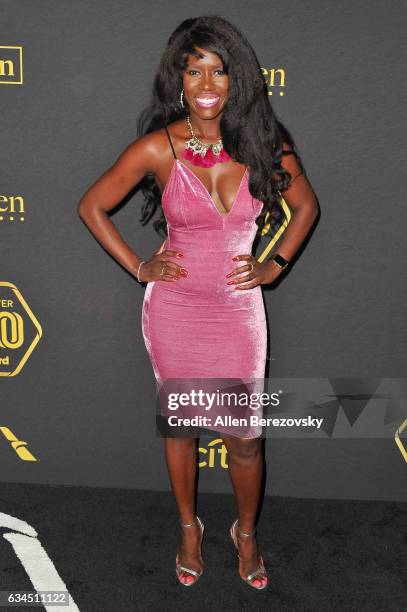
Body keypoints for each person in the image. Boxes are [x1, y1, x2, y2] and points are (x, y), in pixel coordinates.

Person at [77, 15, 318, 591]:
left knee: (244, 438)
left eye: (219, 69)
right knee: (181, 428)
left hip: (237, 313)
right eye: (194, 69)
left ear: (238, 81)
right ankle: (189, 527)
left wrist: (272, 266)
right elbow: (91, 205)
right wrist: (140, 266)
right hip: (176, 309)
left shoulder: (266, 144)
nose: (206, 81)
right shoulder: (160, 148)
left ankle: (246, 532)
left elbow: (306, 209)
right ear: (178, 80)